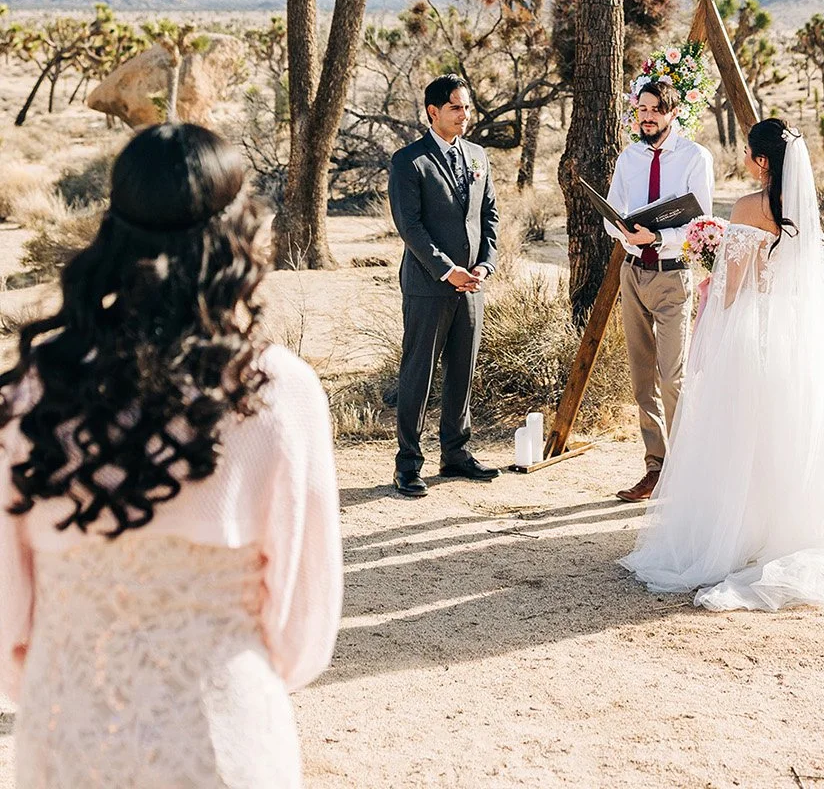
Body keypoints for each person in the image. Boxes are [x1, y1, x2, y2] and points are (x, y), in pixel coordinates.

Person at [0, 123, 342, 789]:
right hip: (223, 736)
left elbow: (6, 617)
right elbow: (304, 625)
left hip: (65, 734)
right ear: (238, 235)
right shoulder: (278, 392)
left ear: (113, 231)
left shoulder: (27, 397)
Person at [622, 118, 824, 608]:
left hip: (754, 330)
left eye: (750, 153)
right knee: (791, 430)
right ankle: (789, 528)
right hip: (795, 332)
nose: (745, 160)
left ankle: (740, 535)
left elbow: (735, 286)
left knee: (744, 434)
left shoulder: (750, 206)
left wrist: (714, 300)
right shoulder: (801, 207)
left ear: (764, 162)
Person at [388, 74, 500, 498]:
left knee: (462, 371)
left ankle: (455, 452)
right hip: (428, 285)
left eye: (467, 107)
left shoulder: (477, 156)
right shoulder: (408, 161)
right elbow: (410, 227)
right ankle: (408, 464)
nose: (464, 115)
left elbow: (489, 213)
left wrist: (485, 266)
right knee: (418, 373)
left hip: (473, 285)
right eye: (456, 107)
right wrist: (446, 269)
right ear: (433, 111)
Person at [604, 77, 714, 503]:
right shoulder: (628, 157)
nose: (647, 117)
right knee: (641, 379)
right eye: (642, 109)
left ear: (672, 113)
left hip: (672, 275)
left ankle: (687, 471)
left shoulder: (694, 157)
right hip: (632, 274)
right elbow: (610, 214)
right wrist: (624, 234)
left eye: (655, 110)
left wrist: (658, 239)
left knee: (673, 377)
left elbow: (699, 224)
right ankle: (656, 468)